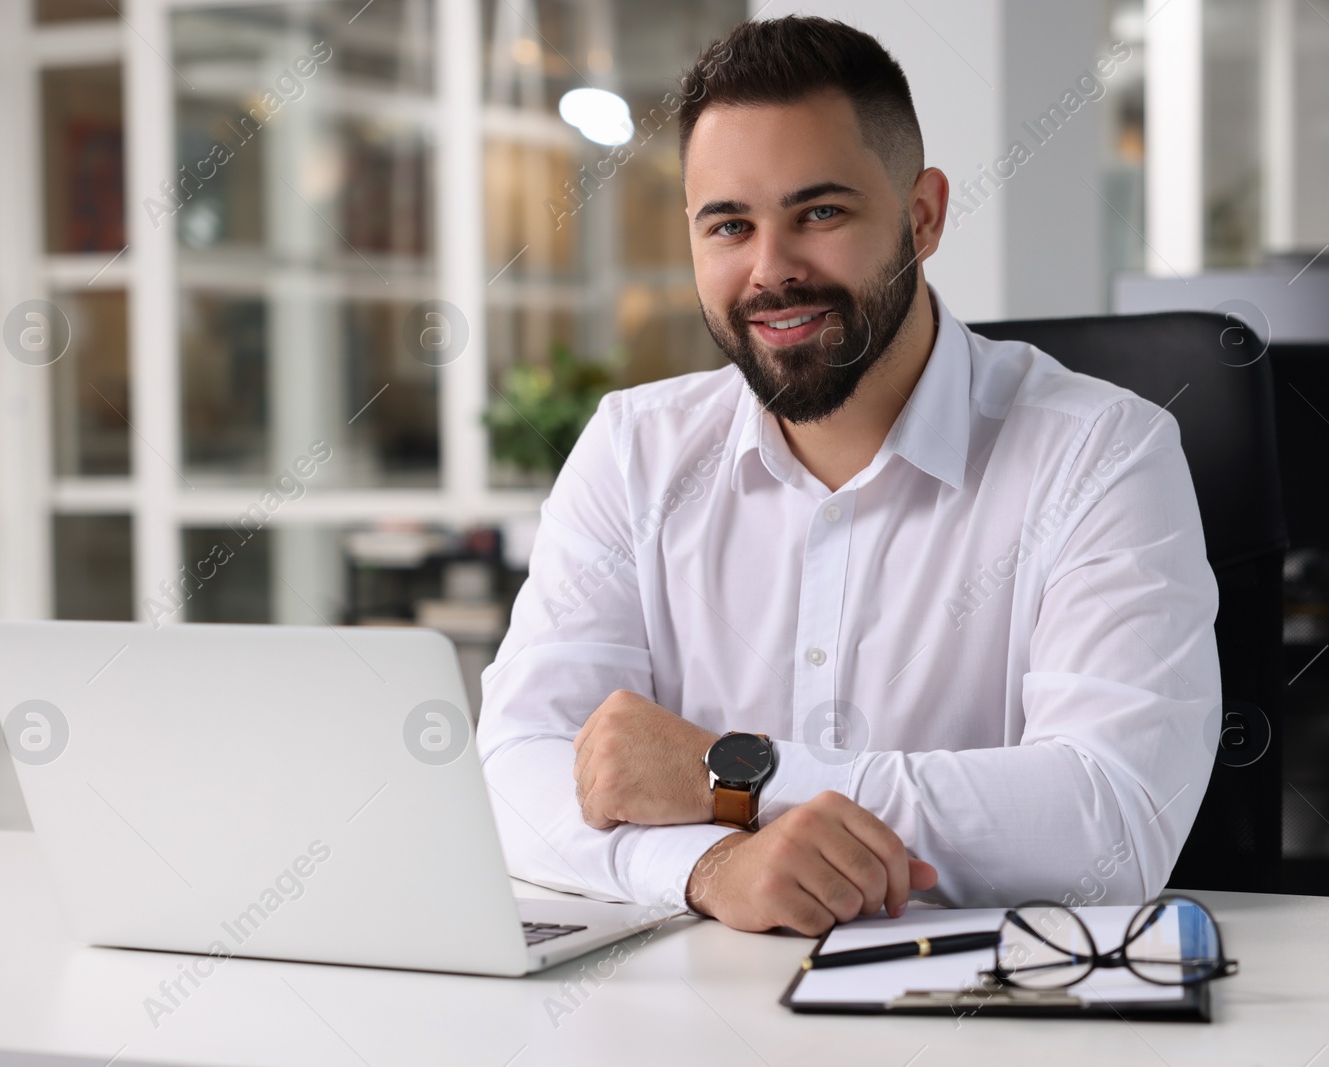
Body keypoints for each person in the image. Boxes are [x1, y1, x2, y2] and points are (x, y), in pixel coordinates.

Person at [476, 14, 1219, 937]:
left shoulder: (1104, 454)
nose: (771, 270)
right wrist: (711, 863)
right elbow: (516, 769)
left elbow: (1113, 817)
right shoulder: (634, 449)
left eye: (819, 213)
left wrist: (731, 777)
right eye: (729, 225)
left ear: (923, 215)